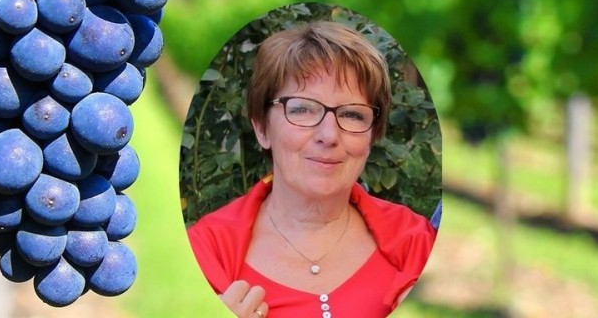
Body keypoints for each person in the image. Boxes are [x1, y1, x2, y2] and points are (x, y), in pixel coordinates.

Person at [187, 20, 438, 318]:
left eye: (352, 114)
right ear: (262, 128)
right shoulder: (204, 253)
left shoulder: (420, 243)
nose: (329, 135)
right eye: (302, 109)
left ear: (373, 134)